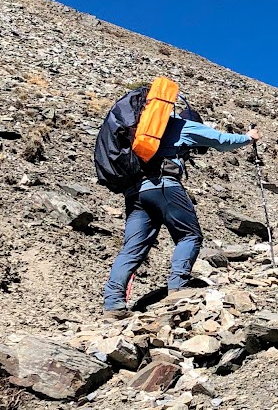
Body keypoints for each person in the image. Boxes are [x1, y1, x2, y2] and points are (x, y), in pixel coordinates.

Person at [102, 107, 257, 318]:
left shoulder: (143, 127)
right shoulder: (183, 125)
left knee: (132, 249)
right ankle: (178, 288)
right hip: (164, 185)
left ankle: (113, 305)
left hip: (134, 192)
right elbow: (222, 141)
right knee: (189, 235)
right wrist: (248, 137)